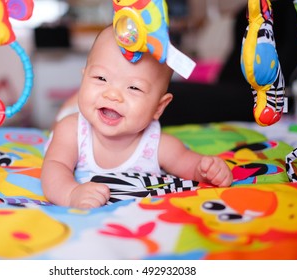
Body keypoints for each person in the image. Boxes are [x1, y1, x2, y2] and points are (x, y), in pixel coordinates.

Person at [41, 25, 233, 209]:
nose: (113, 94)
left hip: (98, 108)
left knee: (93, 102)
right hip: (76, 119)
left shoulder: (157, 144)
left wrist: (208, 170)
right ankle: (74, 101)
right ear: (83, 78)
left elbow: (190, 166)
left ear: (159, 107)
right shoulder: (71, 130)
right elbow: (54, 168)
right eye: (101, 78)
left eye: (134, 88)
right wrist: (71, 193)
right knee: (62, 121)